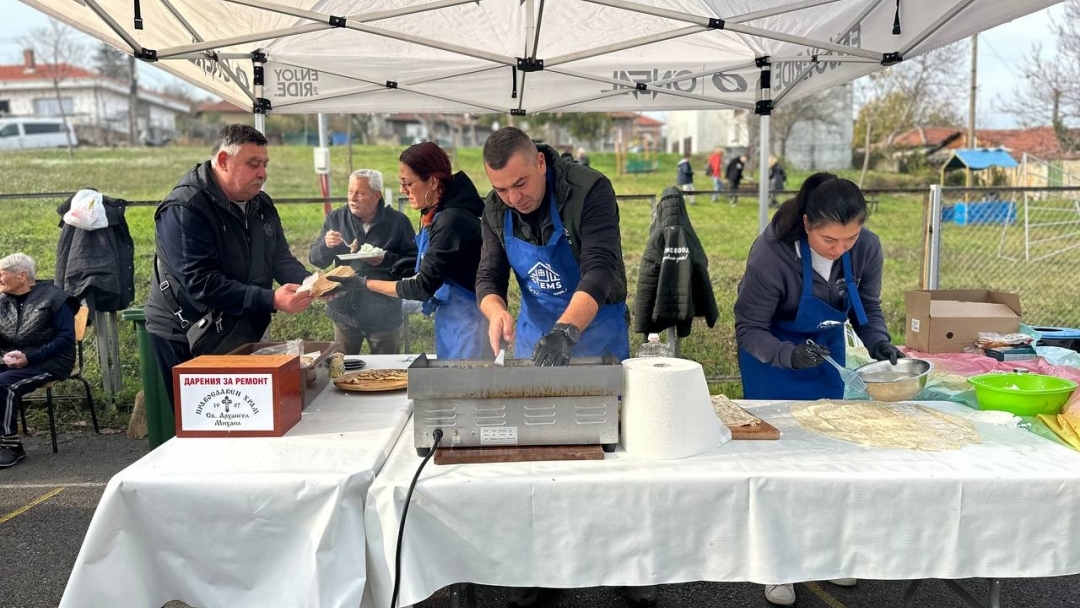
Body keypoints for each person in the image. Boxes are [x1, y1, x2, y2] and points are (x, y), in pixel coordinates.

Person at [477, 127, 646, 607]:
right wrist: (495, 310)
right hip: (535, 335)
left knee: (612, 453)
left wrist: (568, 331)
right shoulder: (496, 208)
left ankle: (629, 566)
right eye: (502, 190)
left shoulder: (589, 190)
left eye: (521, 184)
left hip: (596, 331)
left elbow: (601, 266)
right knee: (541, 456)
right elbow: (488, 274)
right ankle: (540, 566)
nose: (515, 198)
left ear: (541, 163)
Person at [733, 173, 904, 606]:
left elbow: (868, 308)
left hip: (826, 354)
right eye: (830, 240)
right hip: (772, 358)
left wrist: (878, 342)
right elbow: (749, 328)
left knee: (829, 457)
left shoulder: (866, 248)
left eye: (850, 238)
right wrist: (787, 356)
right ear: (808, 223)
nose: (841, 248)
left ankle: (828, 554)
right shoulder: (771, 254)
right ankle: (778, 566)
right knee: (780, 465)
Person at [144, 124, 314, 411]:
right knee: (206, 423)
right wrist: (271, 299)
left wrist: (313, 282)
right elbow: (201, 283)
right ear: (223, 161)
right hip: (187, 334)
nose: (262, 173)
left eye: (264, 164)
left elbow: (279, 258)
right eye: (253, 164)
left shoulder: (260, 204)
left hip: (236, 327)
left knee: (243, 416)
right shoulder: (185, 208)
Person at [331, 142, 490, 359]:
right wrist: (398, 264)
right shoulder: (436, 213)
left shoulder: (452, 219)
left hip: (468, 323)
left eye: (407, 183)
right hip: (452, 319)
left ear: (433, 182)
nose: (402, 191)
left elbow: (422, 287)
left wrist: (364, 283)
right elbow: (438, 264)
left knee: (465, 387)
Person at [309, 169, 417, 354]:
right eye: (350, 191)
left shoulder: (398, 222)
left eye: (359, 193)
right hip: (344, 312)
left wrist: (386, 260)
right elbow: (316, 260)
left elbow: (413, 263)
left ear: (376, 195)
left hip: (384, 313)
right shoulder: (337, 218)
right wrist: (326, 246)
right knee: (342, 369)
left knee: (386, 373)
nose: (352, 198)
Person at [0, 253, 78, 468]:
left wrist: (29, 358)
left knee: (4, 385)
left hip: (50, 362)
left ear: (22, 276)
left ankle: (11, 446)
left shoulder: (55, 298)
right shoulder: (2, 300)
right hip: (13, 361)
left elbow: (65, 338)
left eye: (2, 275)